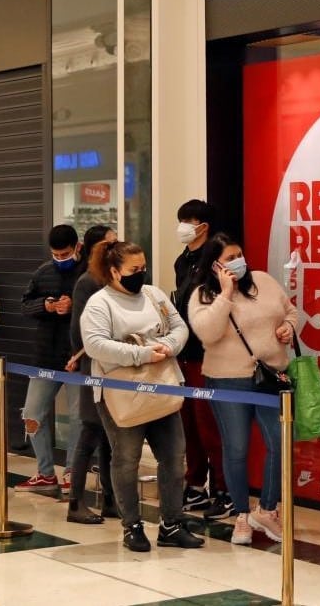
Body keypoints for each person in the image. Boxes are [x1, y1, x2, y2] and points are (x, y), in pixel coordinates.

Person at [81, 239, 204, 551]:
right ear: (113, 271)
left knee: (174, 459)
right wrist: (143, 354)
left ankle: (171, 525)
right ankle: (131, 525)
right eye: (134, 269)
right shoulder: (99, 303)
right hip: (121, 394)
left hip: (162, 388)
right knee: (126, 460)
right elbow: (96, 345)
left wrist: (170, 346)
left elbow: (179, 326)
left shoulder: (153, 294)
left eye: (144, 267)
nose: (141, 274)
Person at [186, 232, 297, 545]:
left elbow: (290, 311)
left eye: (239, 254)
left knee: (278, 442)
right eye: (229, 258)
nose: (238, 261)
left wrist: (289, 327)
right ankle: (240, 515)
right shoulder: (202, 296)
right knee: (235, 448)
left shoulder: (264, 280)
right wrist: (225, 294)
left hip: (271, 376)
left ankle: (267, 508)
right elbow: (208, 333)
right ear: (214, 266)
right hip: (227, 380)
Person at [171, 198, 229, 515]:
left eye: (187, 222)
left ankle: (223, 487)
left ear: (202, 226)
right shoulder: (183, 261)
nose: (181, 229)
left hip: (207, 353)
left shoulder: (216, 261)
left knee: (210, 425)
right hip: (182, 349)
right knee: (188, 423)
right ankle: (195, 484)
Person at [17, 224, 85, 494]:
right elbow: (25, 305)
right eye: (56, 254)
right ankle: (45, 473)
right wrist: (45, 305)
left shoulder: (87, 274)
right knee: (32, 414)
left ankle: (72, 472)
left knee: (79, 417)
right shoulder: (42, 273)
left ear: (77, 247)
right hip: (44, 357)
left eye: (65, 253)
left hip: (76, 357)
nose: (60, 259)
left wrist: (71, 310)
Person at [65, 224, 118, 524]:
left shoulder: (114, 281)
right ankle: (75, 502)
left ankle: (109, 499)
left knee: (110, 439)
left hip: (115, 370)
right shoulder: (87, 283)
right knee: (90, 433)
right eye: (109, 245)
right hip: (93, 367)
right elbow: (79, 332)